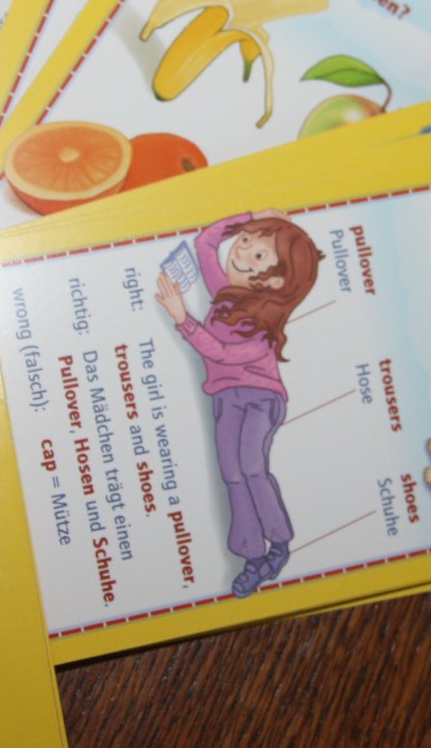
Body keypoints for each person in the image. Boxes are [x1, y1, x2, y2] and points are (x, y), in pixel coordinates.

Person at [155, 210, 321, 598]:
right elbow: (205, 242)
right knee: (232, 473)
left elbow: (224, 354)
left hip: (262, 399)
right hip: (226, 398)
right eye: (244, 241)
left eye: (259, 255)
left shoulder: (266, 324)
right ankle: (252, 555)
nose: (242, 252)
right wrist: (252, 217)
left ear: (277, 281)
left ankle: (278, 543)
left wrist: (183, 319)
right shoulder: (226, 293)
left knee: (251, 467)